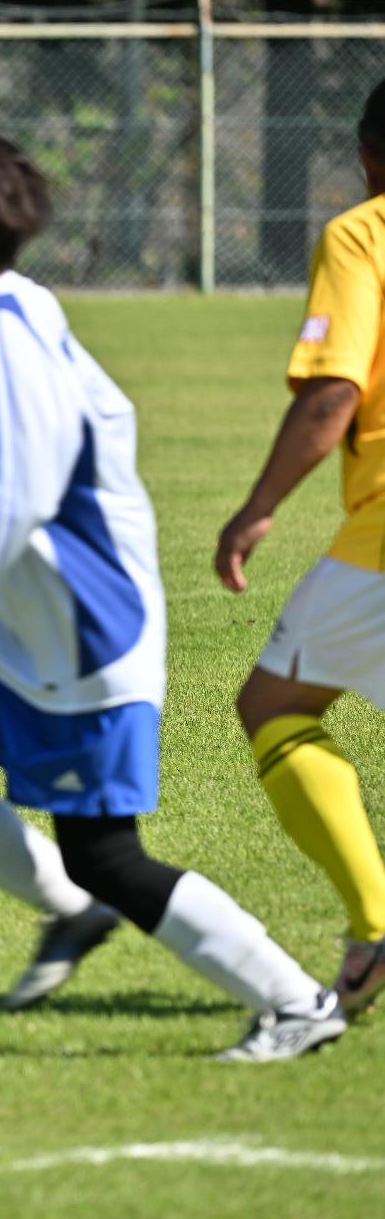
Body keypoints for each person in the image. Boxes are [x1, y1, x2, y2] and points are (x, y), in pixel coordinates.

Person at [0, 103, 344, 1063]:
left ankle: (294, 1001)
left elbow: (19, 507)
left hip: (82, 627)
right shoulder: (16, 307)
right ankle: (70, 911)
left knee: (108, 852)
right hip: (18, 621)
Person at [215, 74, 385, 1018]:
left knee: (274, 703)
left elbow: (331, 395)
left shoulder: (363, 232)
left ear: (368, 158)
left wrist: (257, 506)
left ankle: (375, 924)